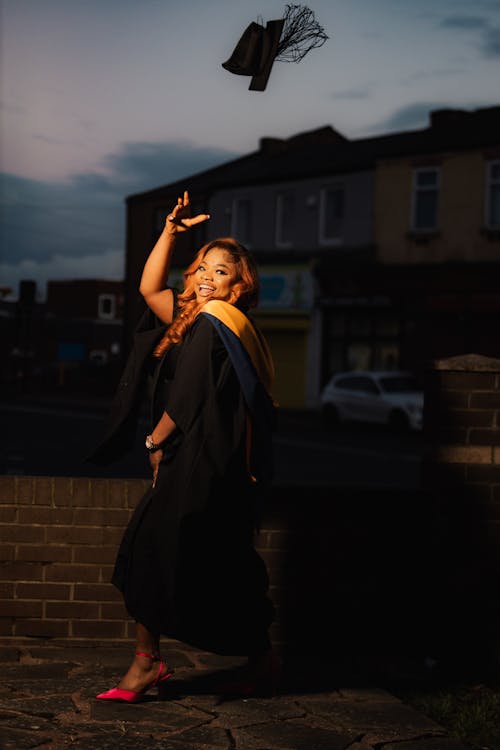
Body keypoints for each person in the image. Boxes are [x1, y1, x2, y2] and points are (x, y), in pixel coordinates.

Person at [91, 191, 277, 703]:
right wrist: (171, 232)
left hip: (202, 458)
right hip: (191, 455)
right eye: (203, 267)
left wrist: (154, 441)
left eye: (221, 272)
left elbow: (189, 396)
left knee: (195, 556)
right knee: (179, 552)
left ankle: (170, 661)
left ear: (239, 288)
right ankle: (151, 661)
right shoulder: (193, 316)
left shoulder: (218, 326)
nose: (205, 277)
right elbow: (148, 285)